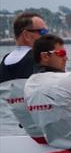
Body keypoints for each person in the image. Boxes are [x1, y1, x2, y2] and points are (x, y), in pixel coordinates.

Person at [0, 12, 48, 142]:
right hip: (55, 135)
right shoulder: (41, 58)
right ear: (26, 35)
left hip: (33, 134)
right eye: (43, 32)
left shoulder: (4, 62)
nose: (48, 36)